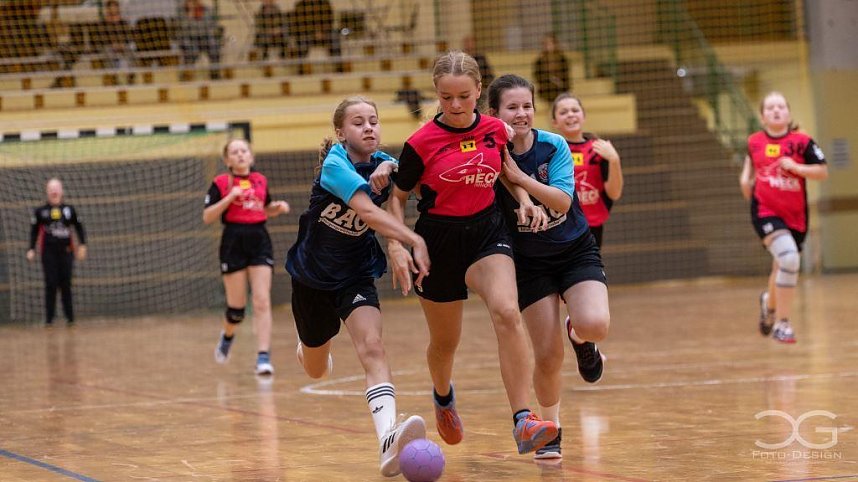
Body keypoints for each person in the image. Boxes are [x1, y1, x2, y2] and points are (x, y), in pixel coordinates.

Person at [386, 51, 559, 455]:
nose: (457, 105)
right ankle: (443, 396)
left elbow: (503, 169)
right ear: (437, 95)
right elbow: (396, 199)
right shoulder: (420, 142)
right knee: (445, 343)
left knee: (507, 311)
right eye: (447, 98)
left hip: (487, 233)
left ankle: (523, 420)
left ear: (479, 90)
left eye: (464, 96)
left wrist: (524, 199)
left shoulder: (497, 129)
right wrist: (397, 243)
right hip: (437, 243)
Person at [285, 96, 430, 477]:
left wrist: (396, 245)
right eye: (358, 122)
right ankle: (309, 346)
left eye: (374, 121)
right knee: (317, 369)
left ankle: (387, 440)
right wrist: (412, 240)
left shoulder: (387, 164)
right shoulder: (335, 163)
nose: (368, 128)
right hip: (312, 277)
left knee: (373, 346)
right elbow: (367, 211)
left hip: (355, 273)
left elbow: (397, 201)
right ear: (340, 132)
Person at [487, 74, 611, 460]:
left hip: (574, 248)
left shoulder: (553, 145)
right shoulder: (489, 153)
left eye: (527, 106)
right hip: (528, 264)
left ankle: (580, 335)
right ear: (494, 113)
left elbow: (559, 201)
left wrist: (522, 178)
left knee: (596, 325)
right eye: (512, 107)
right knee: (547, 355)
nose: (521, 113)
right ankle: (550, 429)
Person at [739, 91, 828, 344]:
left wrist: (797, 168)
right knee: (789, 259)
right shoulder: (754, 142)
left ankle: (769, 303)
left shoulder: (802, 141)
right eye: (770, 108)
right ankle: (783, 323)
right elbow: (748, 175)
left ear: (788, 113)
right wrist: (745, 182)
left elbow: (823, 171)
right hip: (765, 211)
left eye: (781, 107)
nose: (776, 110)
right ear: (763, 116)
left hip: (796, 216)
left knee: (782, 265)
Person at [203, 139, 290, 375]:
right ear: (227, 160)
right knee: (237, 309)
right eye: (235, 152)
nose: (240, 155)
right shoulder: (221, 183)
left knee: (261, 301)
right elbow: (208, 217)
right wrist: (230, 197)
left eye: (244, 151)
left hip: (259, 239)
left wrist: (277, 208)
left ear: (251, 157)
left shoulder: (260, 180)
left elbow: (265, 207)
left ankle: (263, 356)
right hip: (233, 241)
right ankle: (228, 334)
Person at [551, 93, 624, 247]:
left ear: (583, 116)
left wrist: (614, 160)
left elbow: (615, 193)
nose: (570, 115)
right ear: (555, 122)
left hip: (592, 225)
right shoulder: (552, 150)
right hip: (561, 225)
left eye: (574, 110)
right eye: (563, 112)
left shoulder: (599, 149)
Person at [27, 178, 87, 325]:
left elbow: (79, 228)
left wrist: (83, 245)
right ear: (47, 192)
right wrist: (31, 249)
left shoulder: (69, 210)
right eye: (51, 189)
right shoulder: (41, 211)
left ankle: (70, 318)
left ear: (61, 191)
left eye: (57, 188)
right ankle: (49, 319)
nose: (54, 191)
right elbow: (34, 232)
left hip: (66, 252)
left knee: (66, 284)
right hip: (48, 253)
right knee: (51, 283)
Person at [90, 0, 136, 84]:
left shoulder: (123, 22)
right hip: (109, 47)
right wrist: (112, 44)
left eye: (115, 7)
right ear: (107, 9)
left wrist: (122, 44)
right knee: (108, 53)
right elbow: (101, 38)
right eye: (111, 7)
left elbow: (129, 36)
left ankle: (130, 76)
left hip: (122, 46)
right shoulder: (102, 23)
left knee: (130, 52)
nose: (113, 9)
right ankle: (113, 77)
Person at [291, 0, 343, 74]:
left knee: (334, 37)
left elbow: (329, 19)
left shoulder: (325, 3)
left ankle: (339, 66)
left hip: (324, 33)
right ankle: (301, 68)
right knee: (302, 41)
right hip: (307, 33)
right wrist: (314, 32)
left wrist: (321, 31)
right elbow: (299, 22)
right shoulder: (300, 5)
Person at [176, 0, 222, 79]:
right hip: (190, 38)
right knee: (190, 50)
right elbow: (184, 27)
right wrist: (190, 13)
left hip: (205, 37)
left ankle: (215, 72)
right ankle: (187, 73)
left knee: (213, 46)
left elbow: (211, 25)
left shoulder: (207, 10)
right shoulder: (182, 11)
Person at [533, 33, 570, 105]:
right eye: (546, 43)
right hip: (546, 90)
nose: (548, 46)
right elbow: (538, 77)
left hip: (561, 88)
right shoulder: (539, 61)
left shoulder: (563, 59)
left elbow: (566, 77)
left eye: (550, 43)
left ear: (555, 44)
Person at [462, 34, 494, 110]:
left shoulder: (480, 58)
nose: (469, 44)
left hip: (480, 88)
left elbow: (489, 75)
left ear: (474, 44)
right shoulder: (462, 58)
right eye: (467, 42)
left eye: (471, 42)